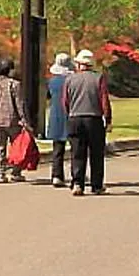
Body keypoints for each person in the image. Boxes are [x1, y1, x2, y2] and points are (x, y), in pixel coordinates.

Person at [61, 49, 112, 196]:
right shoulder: (98, 78)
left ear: (78, 64)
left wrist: (70, 114)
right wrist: (107, 119)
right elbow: (104, 101)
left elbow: (65, 101)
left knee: (77, 152)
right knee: (96, 153)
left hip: (75, 118)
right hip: (93, 119)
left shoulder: (70, 80)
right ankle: (96, 185)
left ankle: (77, 183)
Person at [0, 58, 30, 184]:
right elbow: (19, 104)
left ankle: (0, 173)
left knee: (0, 147)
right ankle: (15, 172)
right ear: (10, 70)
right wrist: (24, 120)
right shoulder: (15, 85)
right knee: (16, 147)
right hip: (13, 121)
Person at [46, 52, 75, 188]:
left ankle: (57, 175)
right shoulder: (72, 81)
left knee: (57, 148)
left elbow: (48, 97)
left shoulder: (52, 82)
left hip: (55, 115)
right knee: (75, 147)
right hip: (71, 115)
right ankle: (76, 174)